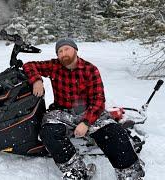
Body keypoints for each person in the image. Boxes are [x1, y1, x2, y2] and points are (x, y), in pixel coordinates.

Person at [22, 38, 145, 180]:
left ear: (75, 50)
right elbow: (29, 65)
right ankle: (76, 172)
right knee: (48, 133)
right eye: (60, 51)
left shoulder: (90, 69)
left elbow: (98, 100)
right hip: (62, 112)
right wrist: (37, 80)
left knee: (114, 132)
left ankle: (129, 173)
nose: (63, 54)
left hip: (89, 111)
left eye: (66, 49)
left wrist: (86, 123)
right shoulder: (54, 66)